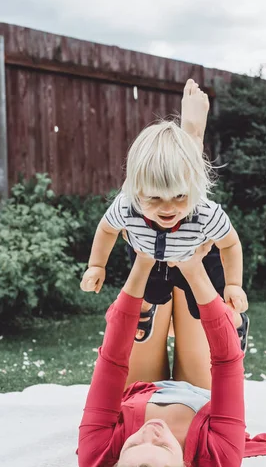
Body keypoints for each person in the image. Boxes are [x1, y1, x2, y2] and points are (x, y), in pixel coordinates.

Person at [39, 245, 266, 467]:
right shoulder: (219, 464)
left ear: (116, 464)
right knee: (194, 292)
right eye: (162, 445)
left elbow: (112, 362)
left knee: (154, 281)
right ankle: (233, 324)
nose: (150, 431)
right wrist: (195, 271)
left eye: (134, 443)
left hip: (141, 388)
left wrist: (141, 265)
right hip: (202, 391)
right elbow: (226, 362)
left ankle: (150, 314)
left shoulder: (97, 457)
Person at [80, 79, 249, 343]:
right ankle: (147, 309)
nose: (168, 207)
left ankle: (236, 321)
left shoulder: (204, 212)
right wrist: (96, 265)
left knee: (203, 308)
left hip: (197, 254)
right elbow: (106, 228)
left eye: (179, 196)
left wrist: (234, 284)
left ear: (191, 190)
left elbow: (230, 244)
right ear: (137, 191)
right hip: (150, 253)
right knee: (149, 290)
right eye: (155, 198)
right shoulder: (127, 205)